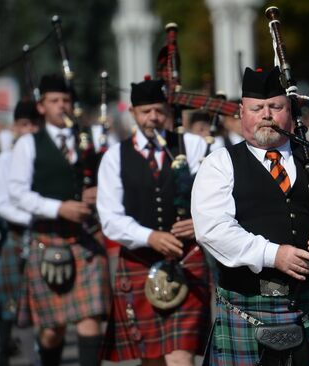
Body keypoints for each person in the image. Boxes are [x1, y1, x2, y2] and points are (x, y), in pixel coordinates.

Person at [191, 66, 309, 366]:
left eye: (275, 107)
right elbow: (212, 229)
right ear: (242, 112)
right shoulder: (220, 164)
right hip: (246, 305)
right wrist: (273, 254)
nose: (266, 115)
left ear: (291, 112)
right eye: (257, 108)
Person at [97, 78, 211, 366]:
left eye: (159, 110)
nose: (153, 117)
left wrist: (201, 223)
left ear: (168, 112)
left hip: (188, 260)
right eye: (146, 111)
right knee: (151, 359)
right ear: (133, 113)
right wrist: (150, 236)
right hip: (139, 261)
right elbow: (109, 218)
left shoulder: (194, 146)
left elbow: (218, 197)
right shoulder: (115, 157)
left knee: (181, 356)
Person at [7, 74, 111, 366]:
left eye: (66, 100)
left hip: (86, 237)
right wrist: (58, 208)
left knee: (90, 319)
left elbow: (109, 181)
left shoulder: (86, 141)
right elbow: (17, 192)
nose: (61, 106)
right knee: (52, 329)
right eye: (54, 101)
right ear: (41, 106)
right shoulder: (29, 143)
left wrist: (97, 192)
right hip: (48, 238)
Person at [0, 100, 40, 366]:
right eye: (24, 125)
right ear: (15, 127)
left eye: (35, 125)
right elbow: (1, 202)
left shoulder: (47, 155)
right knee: (10, 307)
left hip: (45, 236)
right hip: (14, 236)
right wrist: (36, 216)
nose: (29, 131)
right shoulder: (5, 159)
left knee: (38, 309)